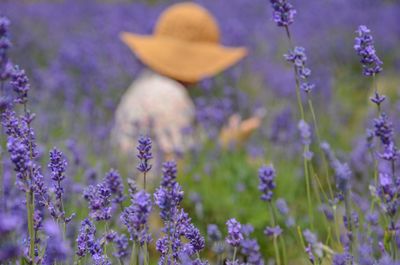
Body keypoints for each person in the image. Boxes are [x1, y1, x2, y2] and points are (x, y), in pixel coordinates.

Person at [113, 2, 261, 158]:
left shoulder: (146, 82)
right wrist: (226, 145)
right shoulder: (168, 96)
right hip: (149, 182)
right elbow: (177, 168)